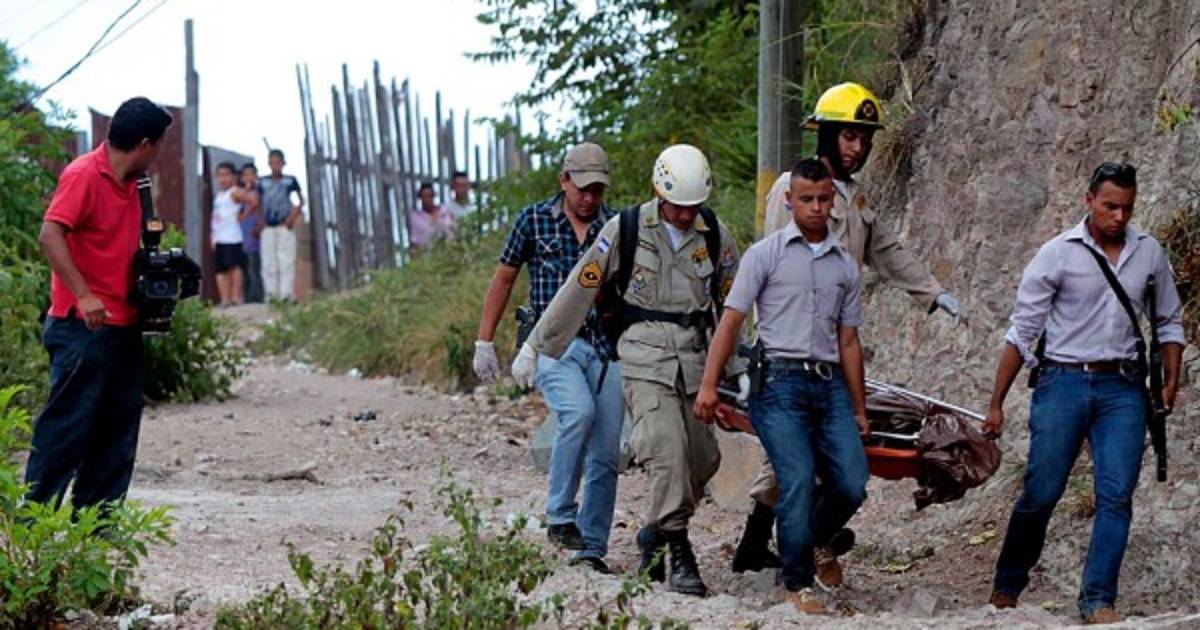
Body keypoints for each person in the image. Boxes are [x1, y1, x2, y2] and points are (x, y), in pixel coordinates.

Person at [734, 82, 968, 586]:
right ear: (826, 134)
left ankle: (772, 544)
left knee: (815, 460)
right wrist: (767, 349)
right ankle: (789, 547)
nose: (857, 147)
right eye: (848, 136)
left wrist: (933, 293)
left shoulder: (853, 198)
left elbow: (887, 250)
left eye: (864, 138)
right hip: (788, 349)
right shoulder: (793, 189)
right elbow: (772, 263)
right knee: (797, 458)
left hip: (831, 350)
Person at [521, 144, 746, 596]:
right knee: (664, 449)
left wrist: (738, 364)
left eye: (693, 206)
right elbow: (579, 288)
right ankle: (678, 547)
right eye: (677, 206)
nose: (685, 215)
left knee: (703, 459)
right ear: (659, 192)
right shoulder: (623, 230)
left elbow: (734, 303)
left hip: (696, 359)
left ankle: (654, 534)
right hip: (643, 357)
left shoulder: (715, 235)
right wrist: (537, 346)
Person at [983, 162, 1184, 625]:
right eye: (1110, 206)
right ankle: (1007, 585)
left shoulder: (1148, 252)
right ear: (1089, 200)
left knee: (1116, 494)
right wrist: (996, 403)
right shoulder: (1057, 254)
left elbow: (1168, 319)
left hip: (1123, 387)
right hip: (1063, 382)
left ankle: (1098, 600)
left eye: (1127, 208)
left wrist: (1169, 378)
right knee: (1042, 491)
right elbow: (1023, 332)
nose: (1119, 217)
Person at [695, 159, 869, 615]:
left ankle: (811, 539)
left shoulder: (845, 266)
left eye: (823, 199)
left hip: (829, 383)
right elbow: (731, 320)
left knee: (852, 482)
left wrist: (859, 407)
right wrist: (709, 384)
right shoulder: (765, 255)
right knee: (796, 477)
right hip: (778, 381)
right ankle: (798, 582)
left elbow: (849, 341)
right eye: (806, 199)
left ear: (834, 201)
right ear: (790, 200)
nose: (816, 207)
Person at [473, 142, 622, 573]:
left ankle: (591, 547)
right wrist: (485, 341)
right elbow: (504, 278)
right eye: (582, 189)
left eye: (597, 191)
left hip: (605, 346)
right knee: (577, 412)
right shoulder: (534, 221)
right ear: (564, 181)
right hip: (553, 344)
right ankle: (559, 514)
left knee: (606, 451)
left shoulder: (615, 227)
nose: (589, 199)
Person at [24, 97, 173, 509]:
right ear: (145, 144)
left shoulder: (138, 185)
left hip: (125, 325)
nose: (158, 153)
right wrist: (83, 293)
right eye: (159, 145)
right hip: (82, 327)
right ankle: (32, 527)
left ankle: (96, 530)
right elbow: (50, 234)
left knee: (115, 437)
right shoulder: (84, 174)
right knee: (66, 431)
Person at [259, 149, 303, 301]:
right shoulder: (262, 182)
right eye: (272, 163)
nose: (275, 166)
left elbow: (300, 200)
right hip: (268, 226)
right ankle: (271, 296)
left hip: (284, 225)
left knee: (286, 261)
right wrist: (260, 222)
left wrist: (292, 217)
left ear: (283, 163)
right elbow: (257, 201)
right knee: (268, 263)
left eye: (277, 163)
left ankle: (286, 295)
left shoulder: (290, 180)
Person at [211, 162, 249, 307]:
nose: (223, 179)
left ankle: (235, 297)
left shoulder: (235, 192)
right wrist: (213, 236)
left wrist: (243, 216)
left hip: (232, 237)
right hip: (219, 237)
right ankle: (224, 299)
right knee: (221, 270)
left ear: (233, 177)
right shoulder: (219, 195)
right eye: (220, 175)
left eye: (226, 175)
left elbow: (253, 201)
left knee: (234, 267)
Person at [238, 163, 265, 304]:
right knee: (245, 268)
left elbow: (260, 209)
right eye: (245, 175)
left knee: (255, 267)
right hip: (243, 236)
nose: (248, 178)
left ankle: (257, 297)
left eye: (251, 175)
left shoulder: (260, 192)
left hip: (255, 236)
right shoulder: (240, 194)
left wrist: (259, 225)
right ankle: (247, 297)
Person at [407, 182, 456, 249]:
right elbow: (415, 240)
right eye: (424, 196)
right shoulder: (416, 217)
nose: (427, 199)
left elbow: (453, 229)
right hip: (427, 252)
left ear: (433, 196)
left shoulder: (445, 211)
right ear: (420, 197)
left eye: (429, 196)